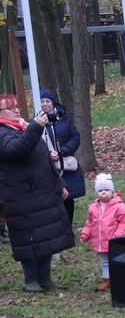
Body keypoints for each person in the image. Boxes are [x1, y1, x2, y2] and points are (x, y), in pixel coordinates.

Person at [0, 94, 74, 292]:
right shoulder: (2, 132)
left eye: (17, 106)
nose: (16, 110)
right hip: (21, 195)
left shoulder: (23, 126)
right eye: (9, 108)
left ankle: (45, 277)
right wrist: (35, 126)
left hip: (43, 192)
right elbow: (16, 149)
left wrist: (59, 183)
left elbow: (44, 158)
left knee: (47, 236)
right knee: (28, 238)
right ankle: (30, 279)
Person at [39, 89, 85, 227]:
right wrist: (48, 155)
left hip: (66, 163)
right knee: (53, 196)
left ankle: (68, 225)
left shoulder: (65, 119)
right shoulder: (38, 121)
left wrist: (61, 152)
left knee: (68, 196)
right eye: (42, 101)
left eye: (47, 101)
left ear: (53, 102)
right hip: (48, 165)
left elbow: (75, 138)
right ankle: (56, 226)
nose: (44, 104)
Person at [80, 173, 125, 291]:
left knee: (116, 259)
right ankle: (107, 279)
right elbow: (90, 222)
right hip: (101, 241)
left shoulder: (119, 206)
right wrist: (85, 233)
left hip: (114, 240)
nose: (103, 193)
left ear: (112, 191)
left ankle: (120, 278)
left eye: (106, 190)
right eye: (100, 190)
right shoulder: (93, 207)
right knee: (104, 261)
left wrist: (118, 235)